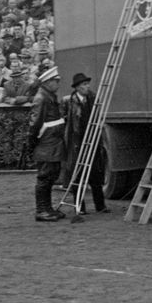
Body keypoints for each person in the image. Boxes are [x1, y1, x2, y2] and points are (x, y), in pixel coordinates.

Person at [60, 72, 110, 214]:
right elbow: (66, 123)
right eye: (83, 84)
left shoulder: (93, 98)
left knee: (96, 174)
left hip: (92, 141)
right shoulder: (70, 101)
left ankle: (100, 206)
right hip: (77, 143)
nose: (87, 87)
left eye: (87, 84)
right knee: (78, 175)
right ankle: (80, 208)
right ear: (77, 87)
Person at [29, 67, 67, 222]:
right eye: (55, 81)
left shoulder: (48, 96)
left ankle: (47, 208)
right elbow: (34, 123)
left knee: (51, 175)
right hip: (46, 142)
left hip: (52, 142)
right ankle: (41, 210)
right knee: (45, 176)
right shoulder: (41, 98)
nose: (57, 84)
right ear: (47, 82)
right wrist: (32, 142)